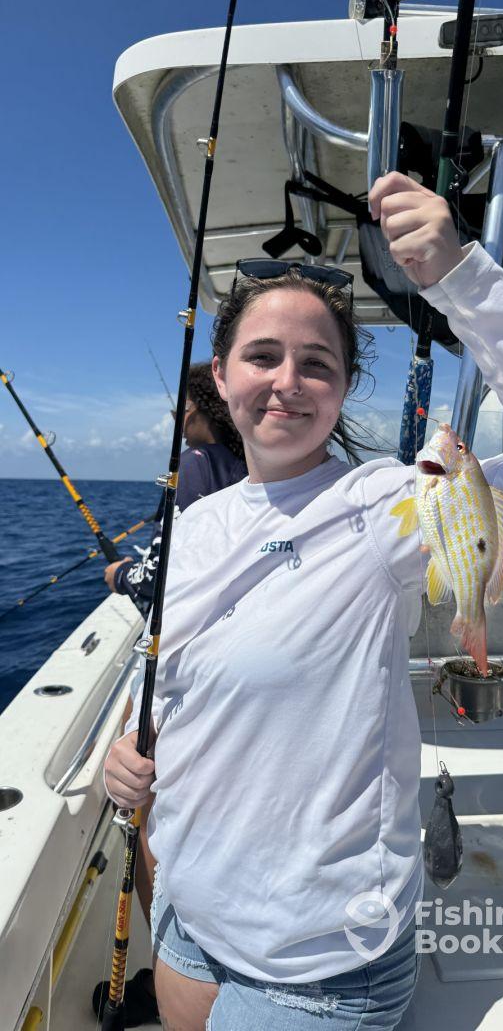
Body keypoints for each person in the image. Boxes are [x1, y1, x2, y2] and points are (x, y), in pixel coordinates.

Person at [104, 172, 503, 1031]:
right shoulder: (198, 522)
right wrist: (133, 747)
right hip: (191, 915)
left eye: (317, 364)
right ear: (220, 378)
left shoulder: (384, 505)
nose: (286, 382)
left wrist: (462, 280)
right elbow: (190, 682)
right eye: (262, 357)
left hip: (318, 959)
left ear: (341, 390)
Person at [95, 361, 247, 1026]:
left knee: (146, 817)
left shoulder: (194, 465)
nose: (173, 417)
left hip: (183, 668)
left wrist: (120, 571)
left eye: (180, 405)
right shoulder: (247, 466)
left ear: (199, 409)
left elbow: (163, 583)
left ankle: (173, 974)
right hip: (235, 671)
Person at [104, 361, 247, 608]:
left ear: (204, 410)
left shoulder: (194, 465)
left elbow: (158, 576)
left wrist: (120, 574)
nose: (177, 421)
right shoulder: (241, 463)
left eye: (182, 410)